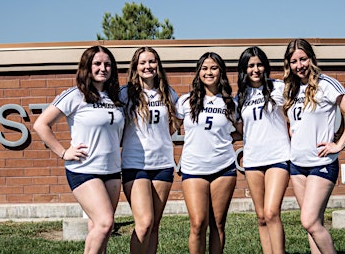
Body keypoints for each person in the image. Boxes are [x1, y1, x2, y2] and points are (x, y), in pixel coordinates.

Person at [33, 45, 124, 254]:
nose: (103, 68)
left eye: (108, 64)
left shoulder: (116, 98)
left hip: (111, 170)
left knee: (99, 228)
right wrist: (64, 152)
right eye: (98, 64)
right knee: (105, 223)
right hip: (84, 169)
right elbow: (41, 125)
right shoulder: (75, 95)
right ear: (87, 67)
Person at [283, 39, 345, 254]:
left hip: (321, 164)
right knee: (313, 225)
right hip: (297, 165)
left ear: (312, 59)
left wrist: (338, 145)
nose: (299, 65)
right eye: (294, 61)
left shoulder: (326, 84)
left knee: (309, 221)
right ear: (288, 64)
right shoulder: (291, 90)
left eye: (303, 59)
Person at [175, 52, 238, 254]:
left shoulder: (230, 103)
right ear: (198, 72)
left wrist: (224, 140)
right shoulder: (185, 101)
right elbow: (168, 129)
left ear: (221, 72)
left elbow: (243, 131)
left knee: (218, 224)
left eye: (213, 68)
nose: (209, 72)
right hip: (194, 168)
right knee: (198, 224)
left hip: (223, 168)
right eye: (204, 68)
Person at [120, 47, 178, 254]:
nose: (148, 66)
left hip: (163, 164)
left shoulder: (168, 93)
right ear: (135, 67)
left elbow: (174, 125)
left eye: (152, 62)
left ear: (158, 65)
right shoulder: (125, 94)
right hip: (135, 165)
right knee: (144, 223)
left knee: (154, 225)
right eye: (143, 62)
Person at [234, 46, 290, 254]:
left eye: (259, 64)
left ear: (265, 66)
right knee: (261, 216)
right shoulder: (239, 97)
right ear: (244, 69)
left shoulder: (279, 88)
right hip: (253, 160)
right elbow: (242, 130)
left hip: (278, 156)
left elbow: (295, 116)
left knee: (272, 212)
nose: (255, 69)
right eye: (250, 65)